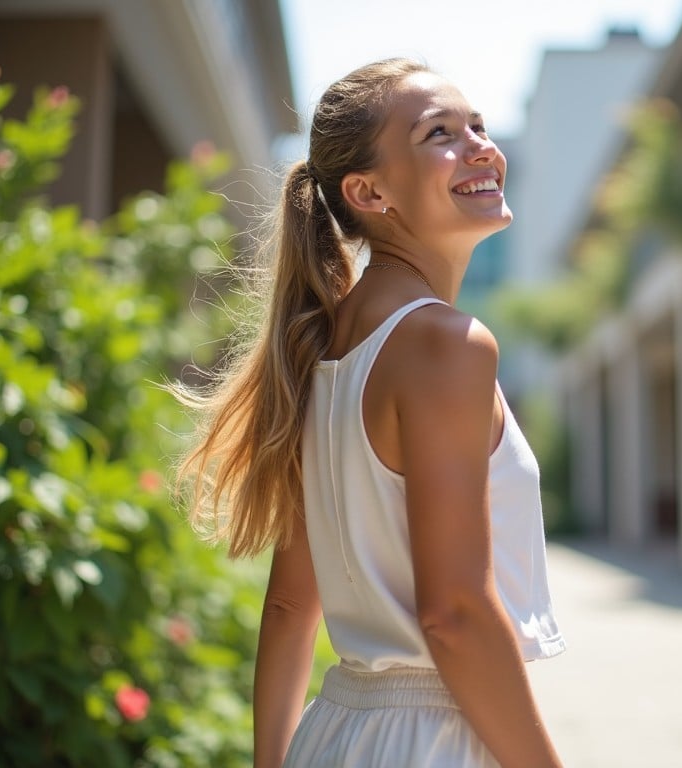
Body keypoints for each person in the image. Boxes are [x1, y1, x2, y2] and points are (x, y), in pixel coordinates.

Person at [175, 58, 566, 767]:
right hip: (440, 739)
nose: (480, 145)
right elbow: (454, 617)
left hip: (336, 734)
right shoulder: (446, 346)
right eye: (439, 133)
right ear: (368, 191)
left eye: (477, 124)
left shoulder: (323, 349)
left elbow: (292, 607)